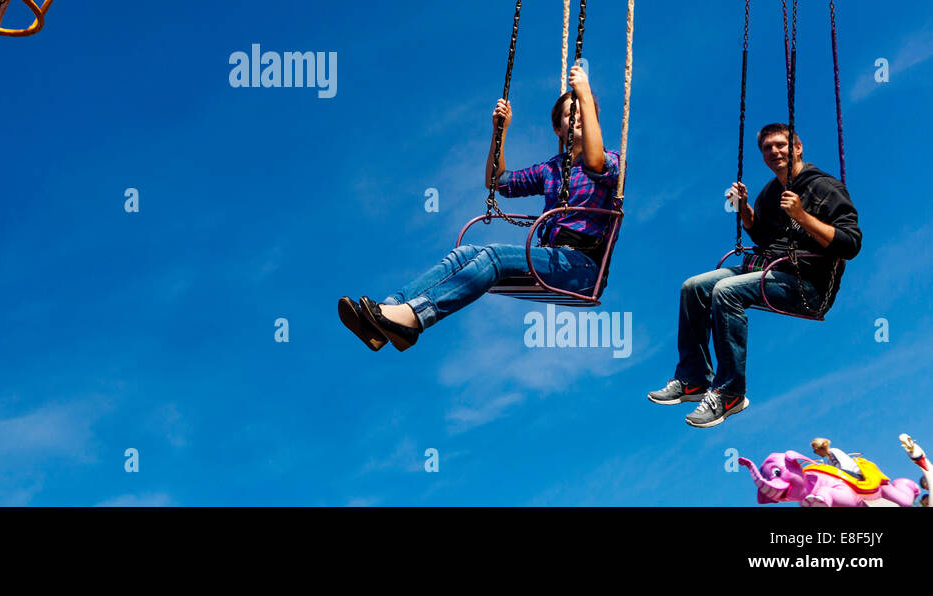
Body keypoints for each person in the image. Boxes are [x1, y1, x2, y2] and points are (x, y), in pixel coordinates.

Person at [338, 66, 621, 352]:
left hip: (581, 267)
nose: (577, 117)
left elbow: (595, 162)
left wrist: (584, 91)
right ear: (558, 129)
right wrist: (500, 132)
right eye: (569, 114)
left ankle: (414, 318)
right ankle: (387, 312)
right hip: (549, 259)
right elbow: (497, 181)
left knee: (494, 256)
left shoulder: (610, 160)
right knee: (464, 253)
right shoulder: (550, 170)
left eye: (583, 111)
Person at [647, 123, 861, 427]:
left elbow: (851, 244)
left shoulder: (825, 187)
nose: (774, 151)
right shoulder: (770, 193)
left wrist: (802, 216)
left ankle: (730, 392)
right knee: (692, 287)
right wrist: (744, 209)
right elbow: (762, 237)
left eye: (781, 145)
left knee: (726, 291)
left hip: (809, 285)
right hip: (770, 269)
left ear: (797, 148)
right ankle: (693, 378)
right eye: (767, 148)